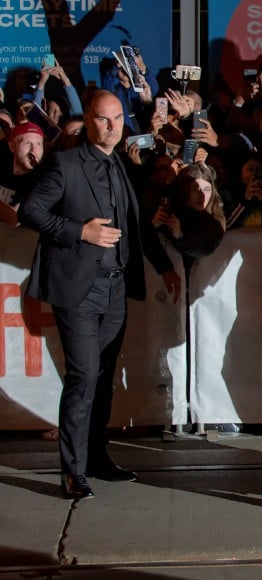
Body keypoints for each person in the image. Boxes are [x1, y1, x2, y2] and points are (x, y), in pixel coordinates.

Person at [17, 90, 181, 500]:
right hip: (78, 288)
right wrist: (80, 231)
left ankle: (96, 457)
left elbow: (138, 223)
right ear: (88, 121)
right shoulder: (65, 163)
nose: (112, 126)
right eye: (104, 119)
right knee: (84, 375)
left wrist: (162, 265)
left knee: (104, 377)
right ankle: (72, 469)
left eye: (118, 118)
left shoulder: (121, 165)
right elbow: (30, 210)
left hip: (116, 286)